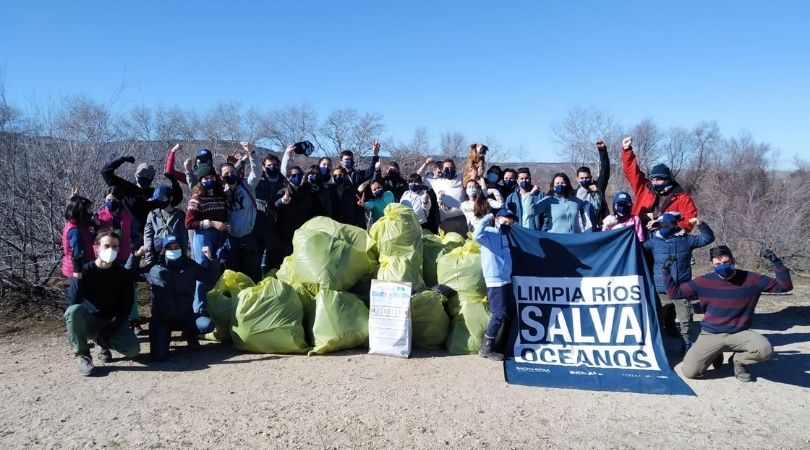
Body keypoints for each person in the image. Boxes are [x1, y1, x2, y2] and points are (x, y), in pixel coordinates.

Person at [664, 246, 793, 382]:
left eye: (726, 262)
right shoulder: (703, 281)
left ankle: (738, 361)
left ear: (733, 260)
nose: (722, 266)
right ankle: (715, 353)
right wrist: (665, 271)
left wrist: (776, 262)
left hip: (740, 333)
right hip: (711, 334)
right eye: (718, 264)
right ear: (711, 264)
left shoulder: (752, 279)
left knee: (765, 350)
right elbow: (674, 293)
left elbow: (785, 286)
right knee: (690, 372)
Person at [128, 236, 220, 361]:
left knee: (206, 324)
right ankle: (163, 337)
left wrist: (211, 259)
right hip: (161, 319)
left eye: (176, 247)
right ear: (163, 251)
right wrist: (136, 255)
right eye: (169, 247)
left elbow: (211, 277)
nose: (173, 250)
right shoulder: (154, 268)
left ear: (181, 249)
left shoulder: (190, 266)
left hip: (185, 316)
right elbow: (128, 275)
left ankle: (190, 335)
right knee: (158, 357)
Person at [64, 230, 140, 376]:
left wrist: (112, 327)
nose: (111, 250)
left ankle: (104, 344)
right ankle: (83, 355)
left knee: (133, 350)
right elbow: (73, 301)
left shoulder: (123, 275)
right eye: (107, 246)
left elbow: (126, 306)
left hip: (109, 323)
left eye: (115, 246)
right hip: (89, 321)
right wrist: (77, 275)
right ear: (96, 248)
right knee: (73, 312)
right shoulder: (85, 270)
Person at [644, 212, 715, 351]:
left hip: (682, 287)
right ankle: (657, 344)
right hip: (661, 288)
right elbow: (636, 250)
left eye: (666, 225)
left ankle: (687, 342)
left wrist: (700, 224)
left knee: (685, 316)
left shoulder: (686, 239)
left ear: (674, 225)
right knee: (657, 317)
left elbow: (708, 238)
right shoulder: (653, 241)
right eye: (661, 225)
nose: (663, 228)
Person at [184, 164, 229, 332]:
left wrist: (225, 225)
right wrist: (211, 223)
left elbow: (223, 215)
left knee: (216, 271)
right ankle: (199, 311)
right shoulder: (197, 198)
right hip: (203, 236)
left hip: (218, 236)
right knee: (202, 272)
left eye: (211, 177)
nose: (209, 180)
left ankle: (214, 308)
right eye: (205, 178)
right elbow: (188, 223)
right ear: (200, 180)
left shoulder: (220, 196)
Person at [621, 136, 698, 232]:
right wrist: (627, 150)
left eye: (658, 179)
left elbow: (689, 221)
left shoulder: (681, 198)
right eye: (653, 179)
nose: (654, 182)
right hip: (639, 235)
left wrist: (665, 226)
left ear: (667, 180)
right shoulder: (645, 189)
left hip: (664, 241)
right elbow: (632, 172)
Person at [473, 209, 517, 361]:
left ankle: (502, 344)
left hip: (506, 279)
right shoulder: (490, 232)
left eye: (510, 223)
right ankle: (486, 348)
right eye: (504, 221)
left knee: (509, 313)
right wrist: (488, 217)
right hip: (494, 280)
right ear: (497, 219)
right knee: (498, 314)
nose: (507, 225)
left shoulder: (506, 236)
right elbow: (476, 235)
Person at [100, 155, 183, 227]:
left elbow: (176, 200)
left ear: (152, 179)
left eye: (148, 176)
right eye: (141, 174)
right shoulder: (126, 188)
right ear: (135, 174)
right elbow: (105, 172)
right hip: (129, 233)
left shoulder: (155, 193)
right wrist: (121, 160)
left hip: (152, 233)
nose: (144, 177)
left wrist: (173, 180)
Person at [222, 143, 262, 281]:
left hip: (249, 237)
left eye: (232, 172)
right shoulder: (224, 192)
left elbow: (257, 172)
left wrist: (251, 153)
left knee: (252, 273)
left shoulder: (247, 185)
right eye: (226, 174)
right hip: (231, 239)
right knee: (233, 274)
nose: (230, 175)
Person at [277, 165, 329, 257]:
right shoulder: (283, 192)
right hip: (285, 234)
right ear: (288, 178)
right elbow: (274, 207)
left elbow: (315, 208)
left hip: (302, 233)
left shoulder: (306, 192)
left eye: (299, 175)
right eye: (293, 175)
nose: (296, 177)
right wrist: (282, 201)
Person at [254, 152, 287, 273]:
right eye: (268, 165)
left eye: (274, 164)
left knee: (274, 261)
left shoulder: (284, 182)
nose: (272, 167)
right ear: (263, 166)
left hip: (278, 224)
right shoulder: (258, 180)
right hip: (259, 222)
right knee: (257, 260)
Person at [419, 158, 467, 234]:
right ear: (442, 170)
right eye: (446, 168)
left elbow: (472, 171)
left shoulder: (461, 178)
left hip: (463, 218)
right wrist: (426, 163)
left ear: (455, 168)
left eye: (452, 168)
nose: (450, 170)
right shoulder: (436, 182)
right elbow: (419, 176)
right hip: (446, 220)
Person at [143, 185, 187, 266]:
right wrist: (149, 257)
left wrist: (183, 256)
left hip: (174, 252)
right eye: (157, 199)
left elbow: (183, 237)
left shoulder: (180, 215)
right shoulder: (153, 214)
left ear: (170, 198)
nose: (159, 201)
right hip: (157, 253)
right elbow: (147, 236)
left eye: (162, 198)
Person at [576, 139, 611, 228]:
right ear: (577, 179)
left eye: (587, 178)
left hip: (600, 227)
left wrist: (602, 150)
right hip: (583, 229)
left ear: (591, 177)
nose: (584, 180)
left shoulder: (598, 186)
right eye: (582, 178)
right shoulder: (574, 193)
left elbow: (605, 169)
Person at [61, 193, 95, 280]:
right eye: (87, 210)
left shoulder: (75, 224)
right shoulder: (75, 232)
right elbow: (78, 256)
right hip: (78, 271)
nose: (90, 213)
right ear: (80, 213)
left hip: (77, 268)